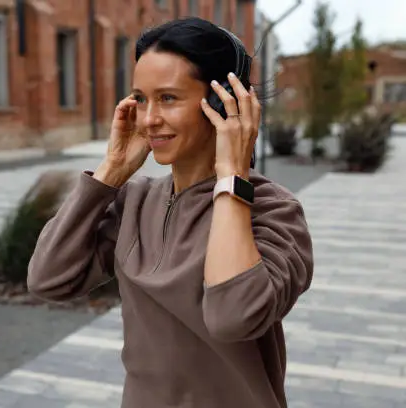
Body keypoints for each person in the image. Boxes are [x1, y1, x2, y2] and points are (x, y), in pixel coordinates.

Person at [27, 17, 313, 408]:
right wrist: (110, 172)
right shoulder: (134, 201)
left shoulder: (273, 210)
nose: (148, 119)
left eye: (168, 98)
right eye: (141, 98)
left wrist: (232, 178)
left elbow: (233, 317)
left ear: (222, 103)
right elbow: (49, 279)